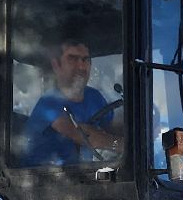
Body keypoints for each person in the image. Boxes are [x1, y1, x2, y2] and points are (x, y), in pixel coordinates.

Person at [20, 38, 122, 166]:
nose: (81, 66)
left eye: (85, 59)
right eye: (72, 59)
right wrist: (126, 146)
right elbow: (86, 136)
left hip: (83, 173)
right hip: (39, 175)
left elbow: (112, 127)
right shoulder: (49, 103)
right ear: (56, 65)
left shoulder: (94, 97)